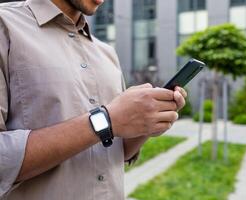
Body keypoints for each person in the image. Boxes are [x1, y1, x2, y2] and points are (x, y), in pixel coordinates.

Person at [0, 0, 187, 199]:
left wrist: (145, 124)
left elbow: (113, 150)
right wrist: (104, 121)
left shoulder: (106, 53)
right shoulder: (5, 25)